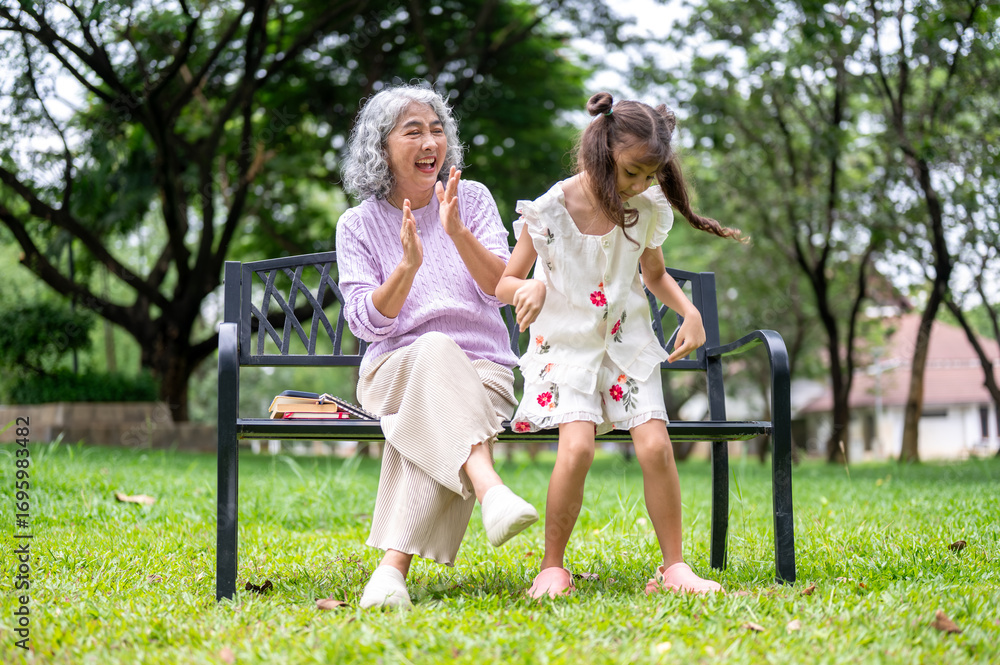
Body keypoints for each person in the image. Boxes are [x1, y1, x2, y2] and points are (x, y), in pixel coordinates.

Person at [496, 92, 741, 599]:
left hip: (625, 343)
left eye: (651, 176)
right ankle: (552, 567)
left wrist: (689, 311)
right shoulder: (548, 210)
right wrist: (529, 288)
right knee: (579, 447)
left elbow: (653, 274)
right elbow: (505, 282)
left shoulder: (645, 207)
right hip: (564, 349)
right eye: (632, 173)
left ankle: (674, 567)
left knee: (655, 446)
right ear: (600, 156)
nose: (642, 186)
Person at [336, 84, 538, 609]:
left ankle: (390, 573)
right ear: (381, 147)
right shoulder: (357, 225)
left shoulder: (470, 200)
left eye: (436, 129)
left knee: (426, 416)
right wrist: (406, 268)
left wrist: (456, 232)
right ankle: (489, 485)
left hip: (482, 374)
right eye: (414, 131)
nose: (431, 141)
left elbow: (502, 288)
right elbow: (366, 322)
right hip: (394, 369)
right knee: (431, 349)